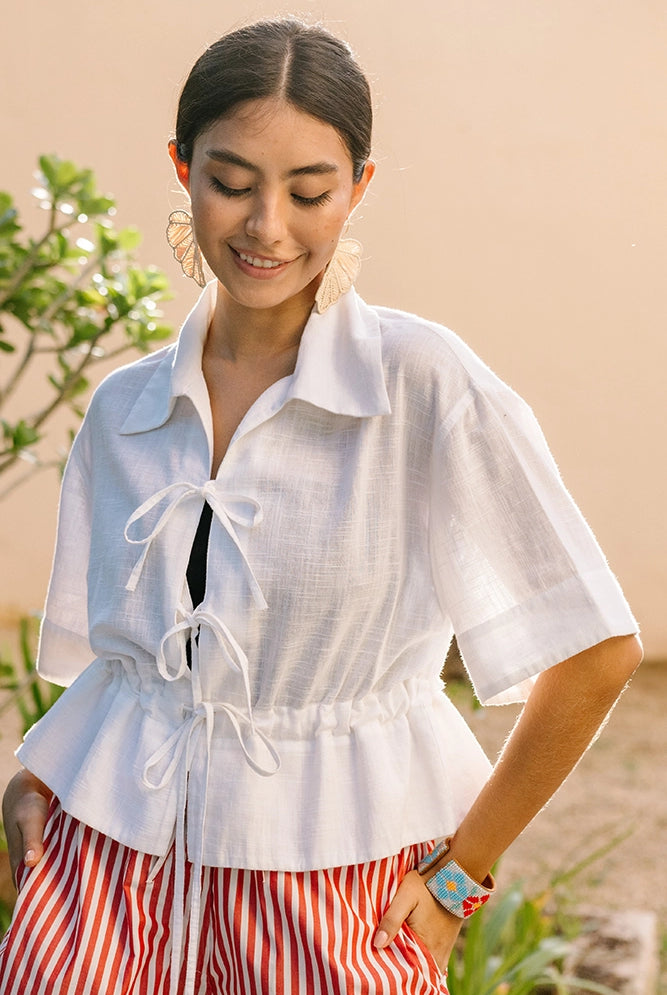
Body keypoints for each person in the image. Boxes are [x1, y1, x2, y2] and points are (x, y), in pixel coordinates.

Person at [0, 16, 641, 995]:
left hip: (328, 897)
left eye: (309, 191)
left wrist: (462, 879)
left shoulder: (421, 387)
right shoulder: (123, 409)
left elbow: (596, 651)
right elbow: (115, 668)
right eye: (231, 180)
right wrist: (33, 776)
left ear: (359, 188)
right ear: (180, 167)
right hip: (101, 890)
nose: (267, 228)